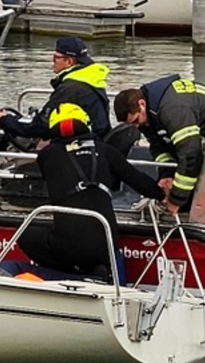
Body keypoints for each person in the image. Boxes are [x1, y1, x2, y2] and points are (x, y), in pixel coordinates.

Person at [17, 103, 166, 282]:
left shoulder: (47, 156)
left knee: (25, 235)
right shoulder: (105, 150)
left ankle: (71, 273)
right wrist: (164, 194)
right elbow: (139, 181)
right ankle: (96, 270)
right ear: (86, 124)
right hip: (106, 244)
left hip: (68, 247)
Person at [113, 75, 205, 216]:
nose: (137, 126)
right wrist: (167, 175)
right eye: (132, 124)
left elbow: (191, 154)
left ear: (142, 104)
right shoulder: (149, 114)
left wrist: (176, 200)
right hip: (196, 142)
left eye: (136, 120)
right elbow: (158, 146)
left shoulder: (172, 109)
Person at [0, 36, 111, 150]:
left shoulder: (69, 89)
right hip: (96, 143)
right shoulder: (91, 80)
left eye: (56, 58)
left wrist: (4, 121)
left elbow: (41, 127)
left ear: (69, 61)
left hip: (83, 149)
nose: (52, 62)